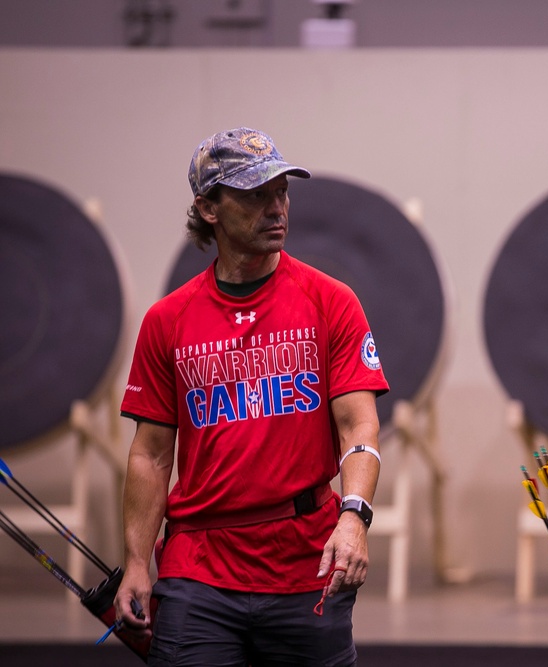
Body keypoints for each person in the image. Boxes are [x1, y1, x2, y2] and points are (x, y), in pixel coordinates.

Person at [113, 126, 389, 667]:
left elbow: (359, 426)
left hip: (305, 564)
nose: (276, 208)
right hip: (199, 572)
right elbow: (150, 455)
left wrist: (354, 518)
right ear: (208, 208)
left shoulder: (331, 301)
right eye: (255, 195)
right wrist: (136, 563)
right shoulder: (166, 321)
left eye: (281, 192)